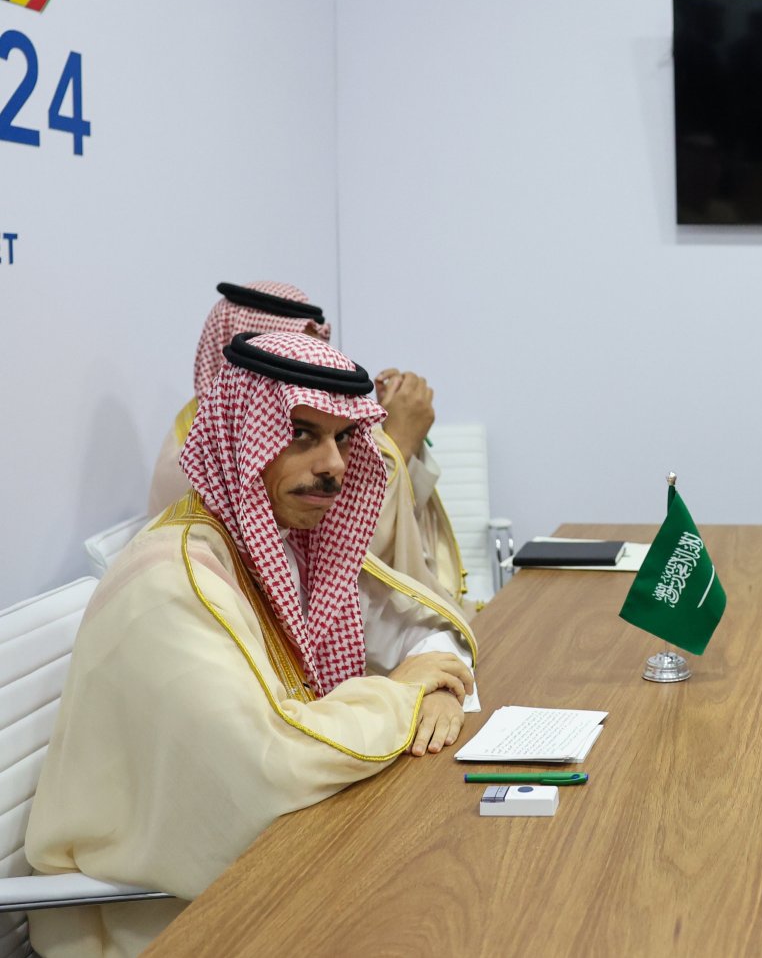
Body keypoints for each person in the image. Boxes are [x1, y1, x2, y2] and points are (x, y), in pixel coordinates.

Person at [26, 332, 478, 957]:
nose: (335, 465)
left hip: (262, 862)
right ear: (243, 439)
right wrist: (406, 693)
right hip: (157, 918)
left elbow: (414, 629)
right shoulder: (175, 581)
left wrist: (441, 682)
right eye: (301, 435)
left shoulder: (287, 544)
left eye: (343, 438)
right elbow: (272, 769)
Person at [148, 281, 471, 613]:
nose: (313, 371)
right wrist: (398, 442)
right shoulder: (203, 458)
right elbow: (349, 558)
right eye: (300, 432)